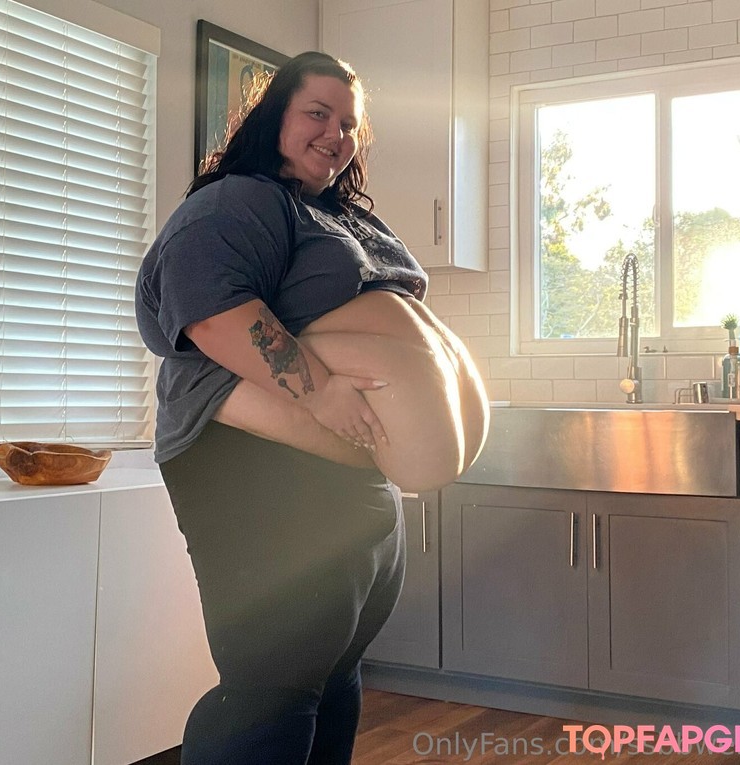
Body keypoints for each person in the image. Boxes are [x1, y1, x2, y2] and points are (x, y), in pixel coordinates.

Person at [135, 51, 488, 765]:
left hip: (344, 478)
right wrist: (322, 391)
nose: (337, 134)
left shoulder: (335, 213)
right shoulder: (239, 199)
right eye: (318, 114)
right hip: (255, 465)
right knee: (271, 683)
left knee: (329, 670)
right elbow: (211, 310)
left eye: (349, 124)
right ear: (275, 119)